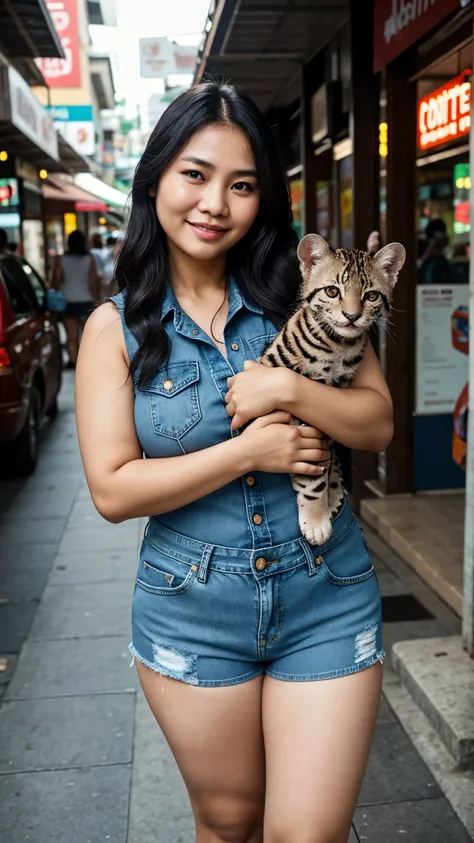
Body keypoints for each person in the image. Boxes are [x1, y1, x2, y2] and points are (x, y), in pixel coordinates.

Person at [76, 82, 393, 843]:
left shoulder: (304, 290)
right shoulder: (114, 330)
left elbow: (376, 421)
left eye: (242, 183)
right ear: (154, 180)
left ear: (263, 199)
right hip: (193, 603)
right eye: (195, 173)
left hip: (326, 591)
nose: (215, 202)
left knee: (307, 832)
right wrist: (247, 450)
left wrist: (287, 387)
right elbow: (113, 491)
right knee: (227, 822)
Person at [53, 230, 100, 369]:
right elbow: (93, 282)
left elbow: (56, 281)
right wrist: (96, 301)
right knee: (88, 335)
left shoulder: (62, 259)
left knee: (71, 337)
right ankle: (88, 361)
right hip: (86, 300)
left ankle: (74, 362)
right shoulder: (89, 259)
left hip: (68, 301)